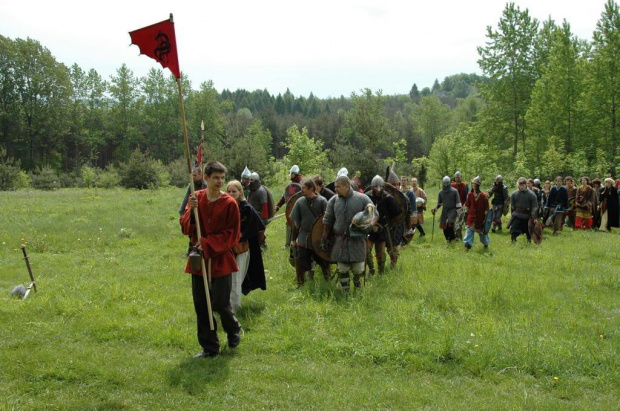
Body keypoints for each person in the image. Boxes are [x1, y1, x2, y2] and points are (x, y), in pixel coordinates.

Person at [180, 161, 242, 358]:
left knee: (220, 303)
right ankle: (210, 348)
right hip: (199, 260)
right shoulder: (196, 198)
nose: (220, 181)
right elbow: (185, 228)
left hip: (220, 259)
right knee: (202, 304)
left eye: (222, 178)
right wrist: (191, 212)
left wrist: (207, 243)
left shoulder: (229, 203)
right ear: (206, 178)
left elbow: (232, 234)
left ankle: (233, 330)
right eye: (215, 178)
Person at [321, 175, 372, 291]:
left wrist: (367, 226)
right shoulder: (333, 201)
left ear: (347, 186)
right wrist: (324, 237)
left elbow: (373, 213)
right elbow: (327, 219)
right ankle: (345, 292)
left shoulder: (362, 198)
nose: (335, 189)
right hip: (340, 241)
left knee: (358, 269)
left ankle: (357, 288)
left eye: (338, 187)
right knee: (342, 268)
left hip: (357, 240)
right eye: (335, 187)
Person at [226, 180, 266, 311]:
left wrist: (240, 236)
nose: (231, 194)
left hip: (241, 247)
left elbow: (256, 226)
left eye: (234, 191)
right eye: (229, 191)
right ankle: (226, 304)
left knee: (236, 278)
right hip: (227, 248)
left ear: (240, 192)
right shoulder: (226, 206)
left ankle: (234, 307)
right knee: (227, 277)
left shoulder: (246, 207)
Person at [290, 178, 331, 286]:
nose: (302, 190)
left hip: (318, 237)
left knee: (323, 262)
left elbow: (327, 221)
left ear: (311, 188)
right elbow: (296, 223)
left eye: (304, 188)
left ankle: (328, 282)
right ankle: (301, 284)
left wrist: (326, 238)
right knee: (302, 261)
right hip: (304, 236)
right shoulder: (300, 202)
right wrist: (293, 239)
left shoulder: (322, 201)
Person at [366, 175, 400, 275]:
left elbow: (396, 213)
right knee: (366, 251)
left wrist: (388, 224)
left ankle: (381, 272)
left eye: (378, 186)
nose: (377, 189)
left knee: (380, 253)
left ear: (382, 187)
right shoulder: (367, 196)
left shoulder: (388, 198)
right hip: (369, 228)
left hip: (382, 229)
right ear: (372, 187)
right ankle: (371, 270)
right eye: (374, 186)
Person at [179, 166, 208, 256]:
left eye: (195, 175)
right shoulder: (191, 185)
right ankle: (190, 251)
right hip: (192, 211)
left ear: (201, 174)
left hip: (203, 212)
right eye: (192, 175)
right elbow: (187, 198)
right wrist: (182, 211)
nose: (193, 177)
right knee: (191, 233)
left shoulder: (206, 185)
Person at [275, 165, 303, 247]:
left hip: (300, 210)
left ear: (295, 174)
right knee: (289, 224)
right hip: (290, 210)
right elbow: (284, 198)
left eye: (291, 174)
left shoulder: (302, 185)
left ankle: (298, 244)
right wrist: (278, 206)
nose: (290, 176)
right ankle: (287, 244)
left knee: (299, 226)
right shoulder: (290, 185)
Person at [463, 176, 490, 251]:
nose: (474, 185)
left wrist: (486, 219)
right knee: (469, 232)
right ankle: (467, 247)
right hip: (471, 218)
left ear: (478, 185)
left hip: (480, 218)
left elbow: (487, 209)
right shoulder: (470, 195)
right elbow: (467, 206)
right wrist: (465, 215)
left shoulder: (484, 196)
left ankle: (485, 244)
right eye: (473, 184)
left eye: (476, 184)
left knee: (483, 234)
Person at [431, 176, 461, 243]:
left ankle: (452, 238)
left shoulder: (454, 191)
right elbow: (440, 203)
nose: (446, 184)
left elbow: (458, 204)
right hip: (445, 210)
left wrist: (459, 214)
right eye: (445, 183)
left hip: (453, 209)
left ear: (450, 183)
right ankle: (448, 239)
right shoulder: (441, 192)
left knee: (449, 223)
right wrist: (435, 209)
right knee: (443, 225)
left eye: (447, 183)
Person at [509, 177, 539, 243]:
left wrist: (533, 217)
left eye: (523, 185)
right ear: (518, 185)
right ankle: (513, 241)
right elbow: (512, 207)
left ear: (526, 185)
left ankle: (529, 242)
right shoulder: (514, 194)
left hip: (527, 216)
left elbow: (535, 207)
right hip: (516, 215)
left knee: (528, 231)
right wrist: (512, 215)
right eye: (520, 185)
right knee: (514, 229)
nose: (521, 187)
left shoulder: (532, 195)